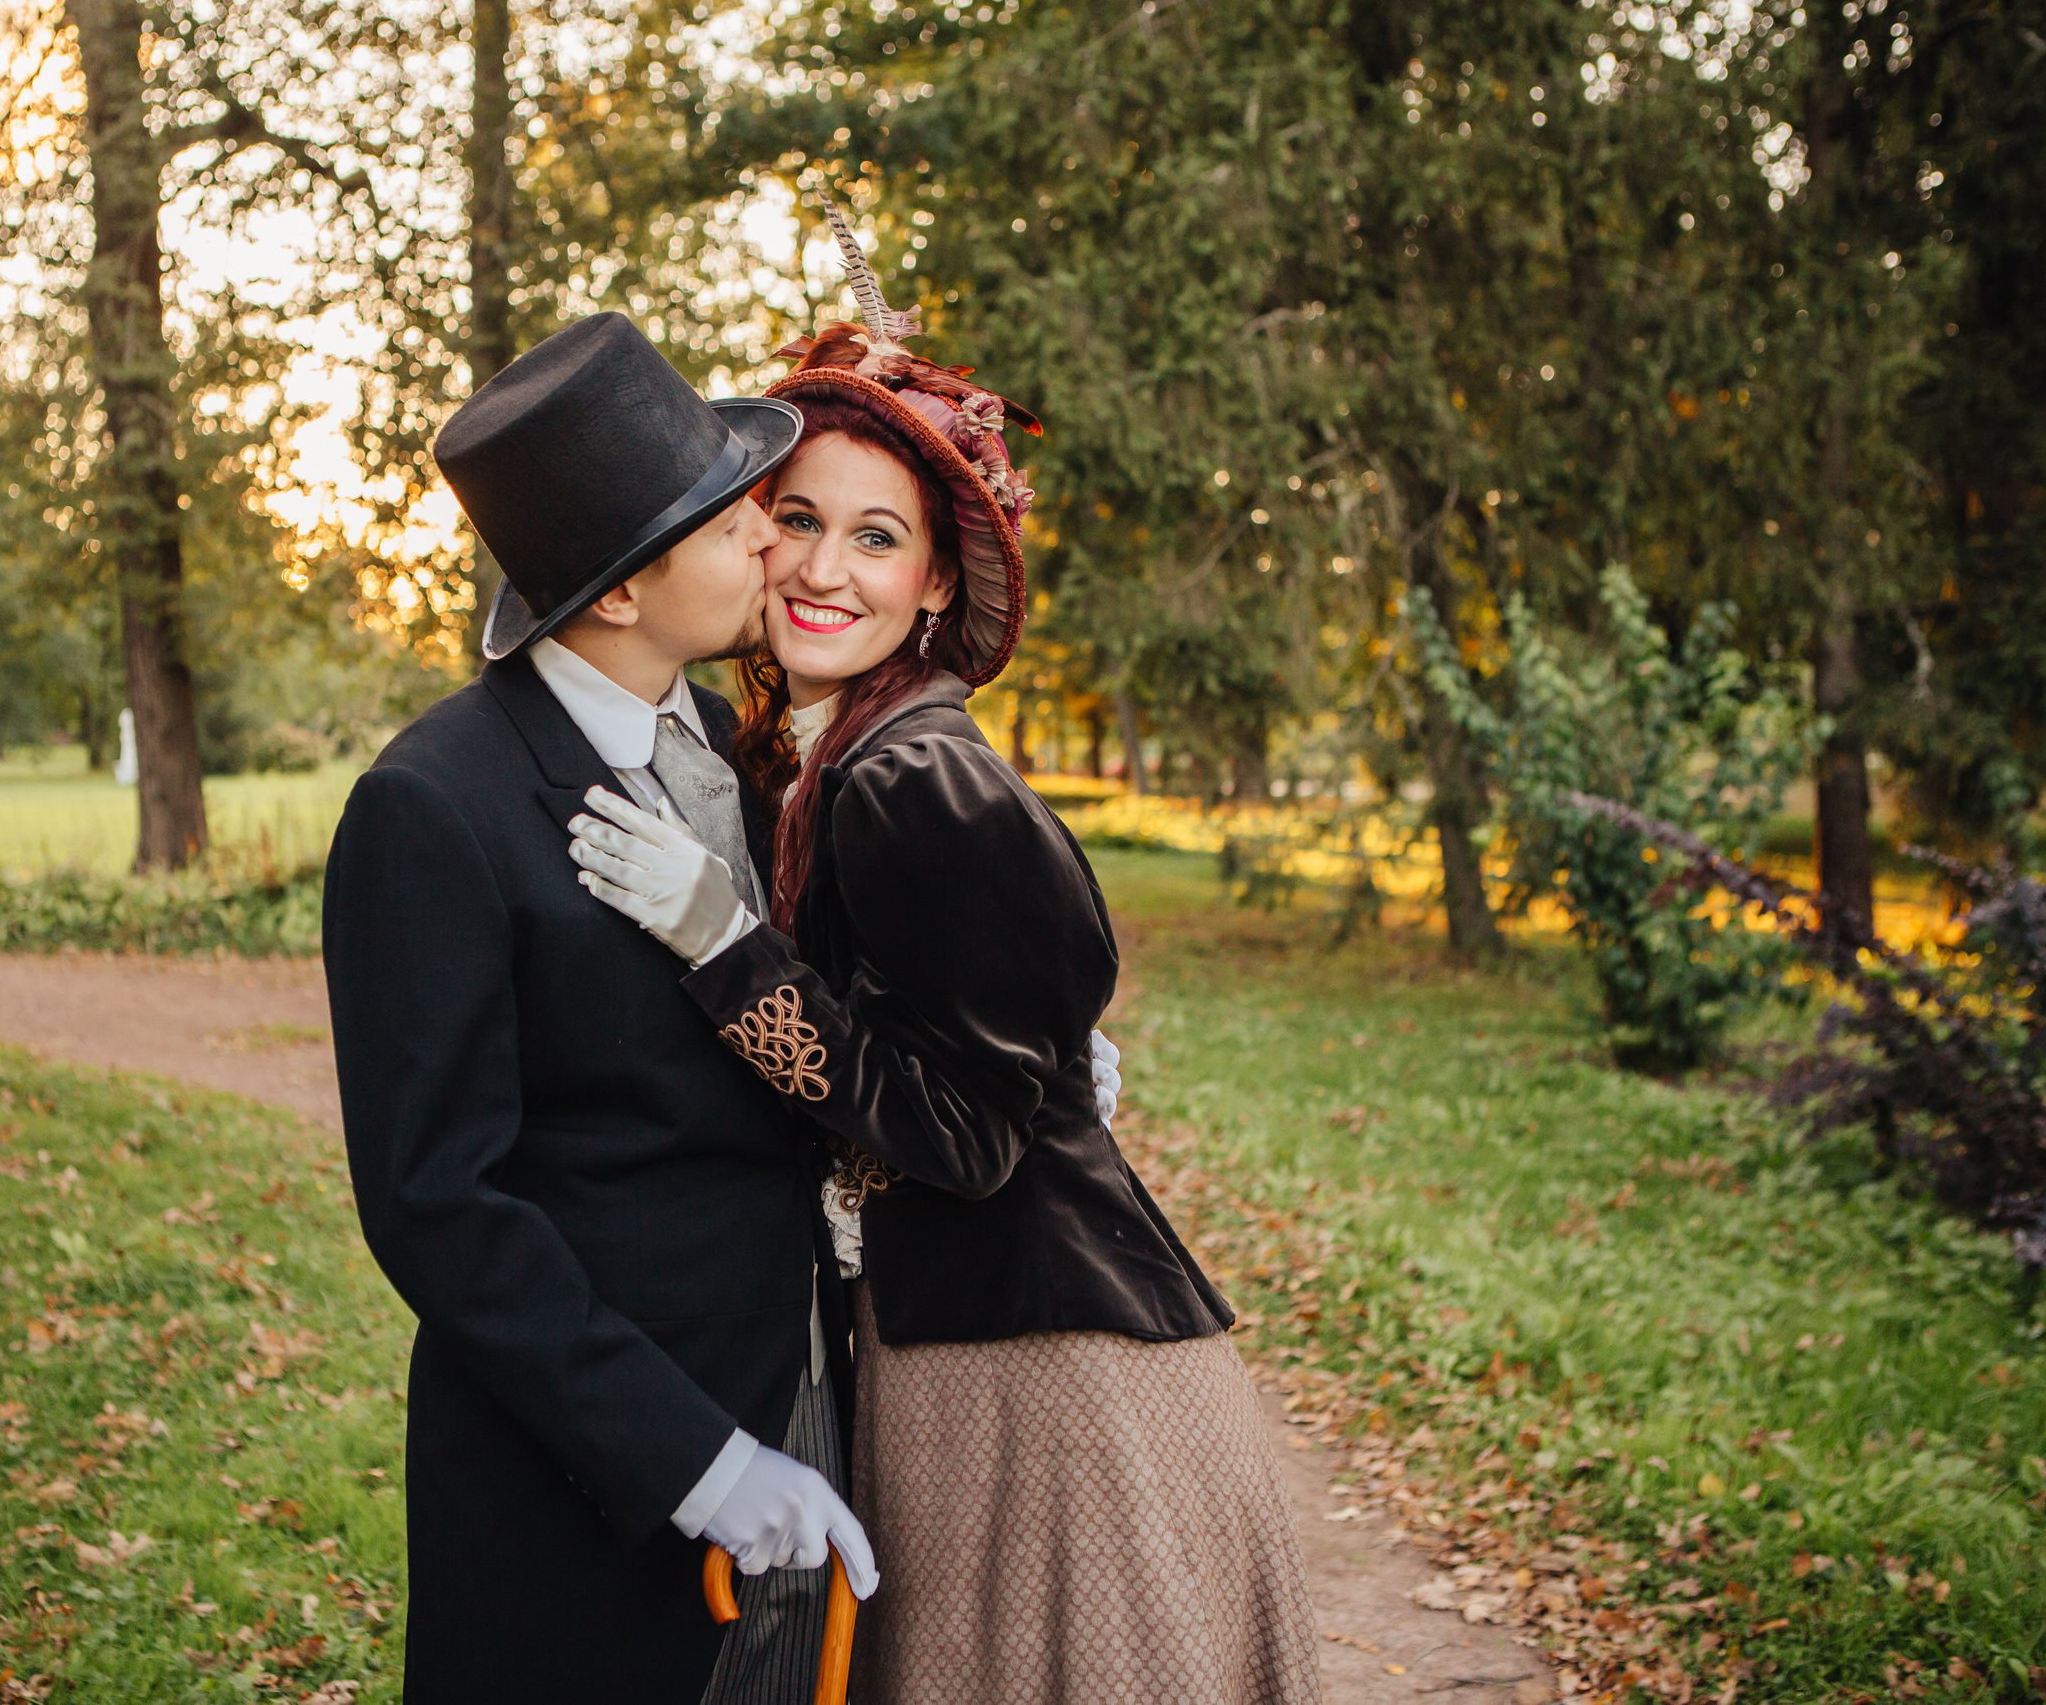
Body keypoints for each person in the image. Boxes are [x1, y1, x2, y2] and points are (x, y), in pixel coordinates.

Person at [567, 232, 1323, 1705]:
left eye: (877, 537)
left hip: (1054, 1383)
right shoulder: (829, 761)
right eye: (797, 519)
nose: (825, 569)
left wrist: (727, 953)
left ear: (930, 587)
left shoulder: (917, 778)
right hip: (969, 1352)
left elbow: (966, 1139)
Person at [322, 311, 879, 1705]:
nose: (771, 539)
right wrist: (693, 1461)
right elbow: (439, 1206)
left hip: (807, 1393)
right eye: (727, 517)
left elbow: (798, 1029)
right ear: (622, 593)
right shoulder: (431, 807)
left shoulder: (738, 758)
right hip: (592, 1491)